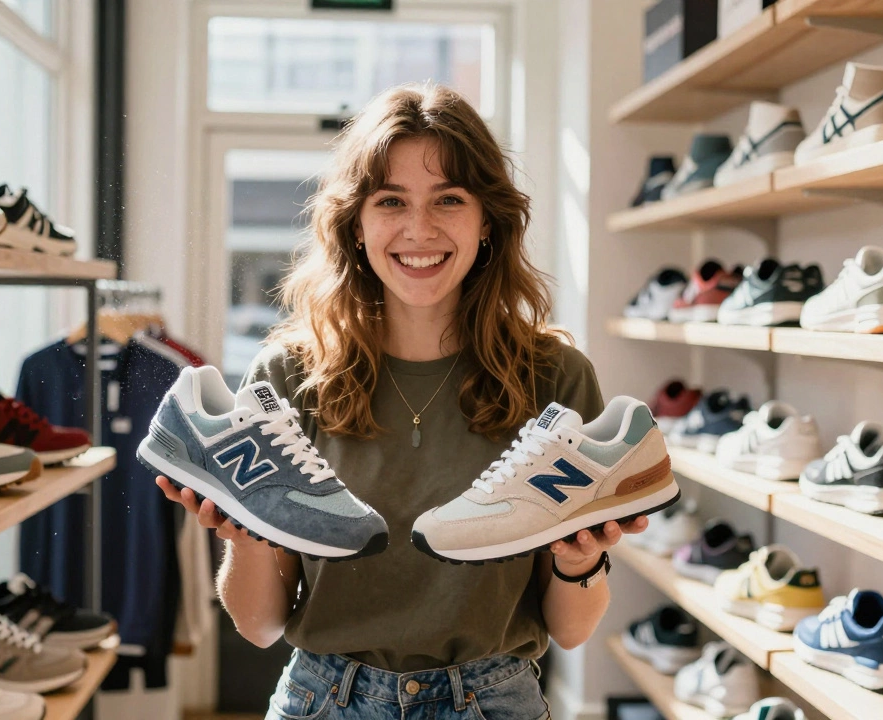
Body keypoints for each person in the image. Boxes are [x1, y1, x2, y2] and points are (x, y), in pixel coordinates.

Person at [156, 82, 646, 719]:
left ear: (487, 220)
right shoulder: (287, 375)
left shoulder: (554, 379)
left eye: (448, 199)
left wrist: (582, 561)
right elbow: (260, 625)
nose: (420, 229)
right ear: (356, 223)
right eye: (391, 201)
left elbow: (572, 629)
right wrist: (246, 540)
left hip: (493, 702)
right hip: (323, 701)